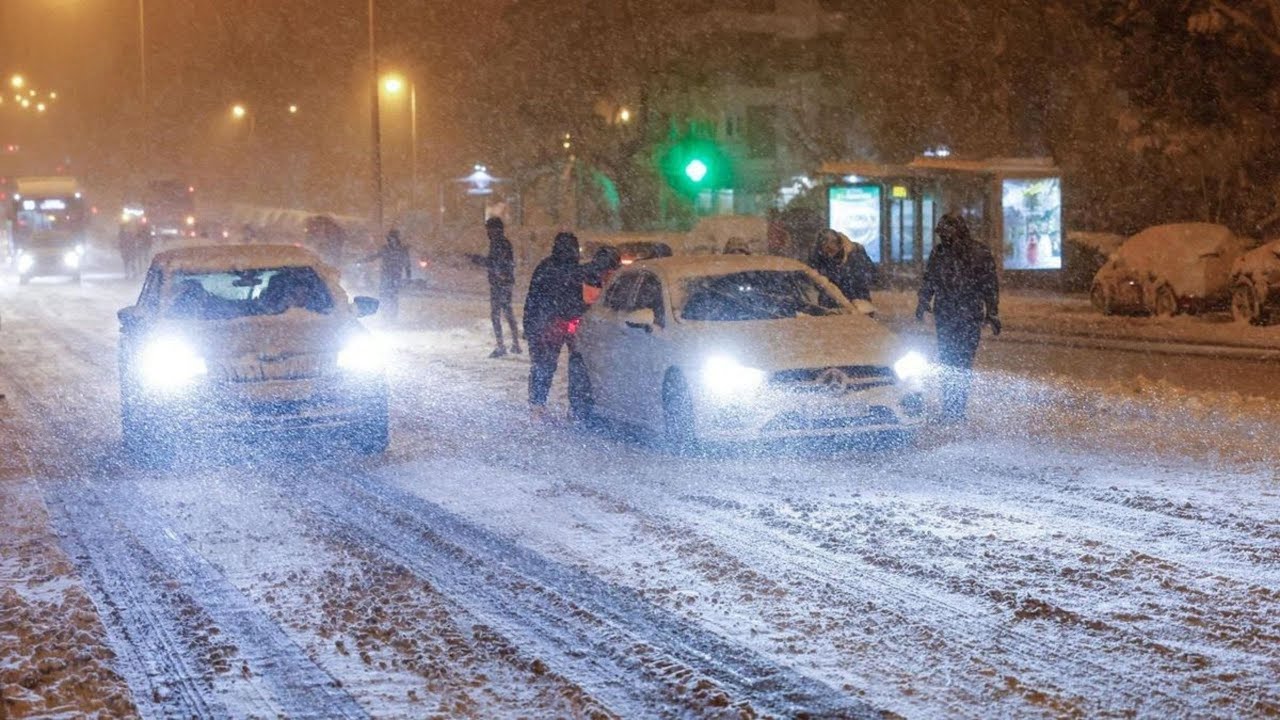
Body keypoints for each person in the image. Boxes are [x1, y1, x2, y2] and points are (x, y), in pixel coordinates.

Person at [915, 213, 1001, 422]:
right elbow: (930, 280)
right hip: (951, 313)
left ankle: (956, 409)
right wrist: (923, 302)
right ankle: (952, 409)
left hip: (965, 314)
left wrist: (992, 312)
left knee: (959, 362)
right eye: (942, 233)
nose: (945, 237)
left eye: (947, 232)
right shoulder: (941, 252)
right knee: (951, 361)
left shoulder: (976, 253)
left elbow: (989, 285)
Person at [523, 232, 588, 420]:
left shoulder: (546, 267)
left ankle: (538, 403)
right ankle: (574, 406)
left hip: (547, 321)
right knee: (574, 365)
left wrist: (530, 324)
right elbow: (577, 297)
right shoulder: (573, 269)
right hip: (565, 321)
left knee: (544, 364)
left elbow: (533, 296)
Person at [479, 217, 520, 357]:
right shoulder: (503, 242)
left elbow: (495, 263)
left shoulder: (498, 243)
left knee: (496, 314)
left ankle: (502, 346)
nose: (487, 232)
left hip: (499, 283)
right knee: (507, 312)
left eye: (489, 229)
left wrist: (479, 260)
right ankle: (515, 344)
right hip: (504, 282)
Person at [808, 228, 876, 302]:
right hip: (831, 305)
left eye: (831, 244)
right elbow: (816, 281)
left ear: (839, 243)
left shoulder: (856, 252)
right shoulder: (818, 256)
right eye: (825, 247)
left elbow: (870, 275)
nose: (828, 251)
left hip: (859, 302)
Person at [361, 229, 412, 321]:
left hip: (391, 276)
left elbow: (407, 265)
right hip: (391, 276)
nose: (391, 240)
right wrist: (408, 276)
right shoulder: (399, 250)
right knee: (389, 296)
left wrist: (408, 277)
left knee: (389, 296)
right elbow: (407, 265)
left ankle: (389, 315)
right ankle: (388, 315)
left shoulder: (393, 249)